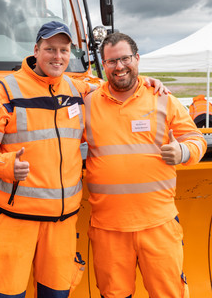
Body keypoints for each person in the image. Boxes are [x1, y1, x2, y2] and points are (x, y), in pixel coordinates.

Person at [0, 22, 167, 298]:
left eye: (63, 50)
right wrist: (7, 166)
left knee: (57, 294)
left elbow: (117, 80)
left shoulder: (77, 88)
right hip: (16, 217)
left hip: (62, 222)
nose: (57, 56)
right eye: (49, 49)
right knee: (6, 294)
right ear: (36, 51)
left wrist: (146, 82)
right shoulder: (7, 91)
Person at [82, 33, 207, 298]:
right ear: (103, 65)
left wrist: (184, 151)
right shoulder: (87, 104)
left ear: (137, 58)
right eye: (112, 61)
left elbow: (196, 138)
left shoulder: (163, 98)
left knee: (169, 293)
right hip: (108, 229)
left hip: (158, 224)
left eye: (125, 58)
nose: (119, 67)